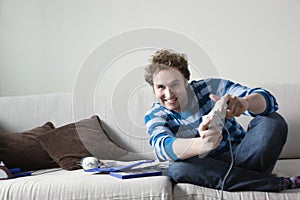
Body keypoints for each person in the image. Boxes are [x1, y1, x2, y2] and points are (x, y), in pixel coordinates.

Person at [144, 49, 300, 192]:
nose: (169, 94)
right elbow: (162, 147)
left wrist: (244, 103)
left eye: (175, 84)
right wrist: (202, 144)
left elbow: (268, 100)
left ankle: (244, 180)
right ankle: (277, 183)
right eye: (160, 87)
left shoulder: (210, 87)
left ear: (185, 81)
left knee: (272, 120)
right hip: (208, 167)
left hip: (244, 155)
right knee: (177, 169)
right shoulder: (155, 115)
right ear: (153, 88)